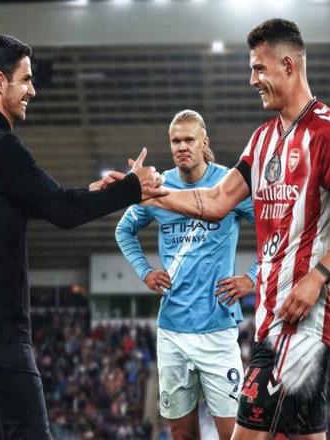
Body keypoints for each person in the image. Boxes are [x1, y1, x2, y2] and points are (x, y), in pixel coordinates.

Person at [142, 19, 330, 440]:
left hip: (301, 325)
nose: (252, 80)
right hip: (271, 318)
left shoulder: (327, 133)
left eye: (258, 68)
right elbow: (215, 201)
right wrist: (145, 193)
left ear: (288, 65)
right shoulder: (263, 139)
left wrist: (315, 279)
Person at [0, 34, 164, 440]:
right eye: (26, 79)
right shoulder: (1, 147)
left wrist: (97, 192)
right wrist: (133, 188)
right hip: (0, 333)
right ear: (0, 82)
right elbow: (62, 211)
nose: (32, 90)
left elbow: (40, 201)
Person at [116, 109, 258, 440]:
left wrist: (252, 277)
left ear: (204, 142)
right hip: (172, 331)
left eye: (189, 140)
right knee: (180, 434)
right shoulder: (158, 187)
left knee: (234, 434)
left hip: (218, 330)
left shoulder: (228, 185)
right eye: (176, 140)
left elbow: (276, 230)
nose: (181, 146)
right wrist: (145, 272)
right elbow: (124, 230)